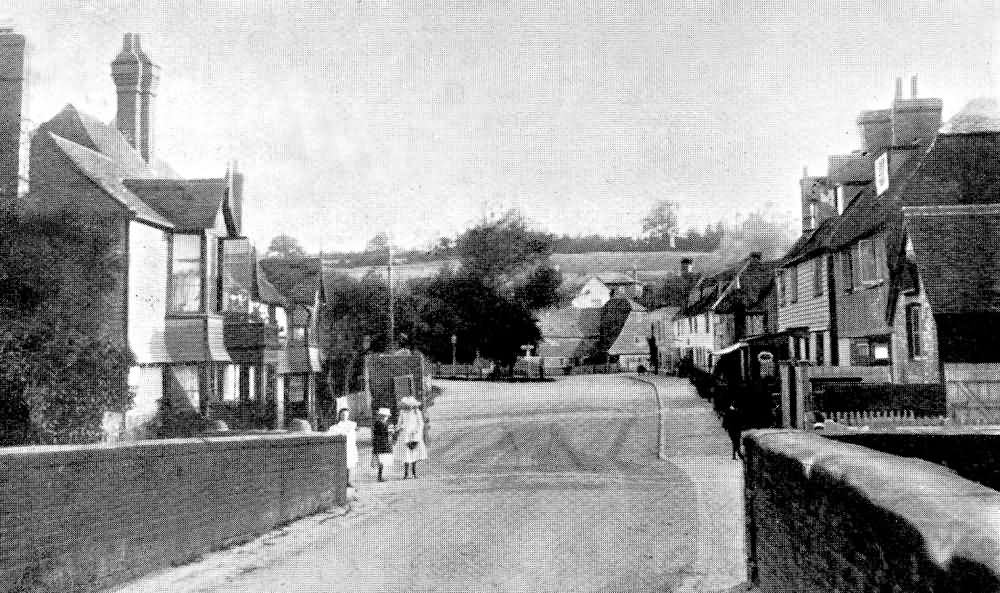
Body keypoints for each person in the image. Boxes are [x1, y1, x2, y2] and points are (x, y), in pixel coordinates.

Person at [394, 396, 428, 479]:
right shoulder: (402, 412)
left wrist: (417, 431)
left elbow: (421, 424)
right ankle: (406, 473)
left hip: (414, 434)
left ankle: (414, 473)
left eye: (409, 405)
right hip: (405, 434)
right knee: (406, 454)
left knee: (414, 453)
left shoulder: (417, 412)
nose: (408, 406)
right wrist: (398, 428)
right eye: (406, 405)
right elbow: (399, 423)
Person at [327, 408, 358, 488]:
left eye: (346, 414)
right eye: (343, 414)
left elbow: (352, 435)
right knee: (342, 465)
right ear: (340, 415)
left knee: (350, 465)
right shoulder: (336, 427)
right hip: (341, 448)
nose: (344, 416)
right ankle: (341, 481)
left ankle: (348, 481)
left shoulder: (352, 424)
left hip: (350, 447)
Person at [371, 407, 395, 482]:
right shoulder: (379, 423)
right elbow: (384, 432)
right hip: (381, 443)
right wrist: (390, 431)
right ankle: (379, 477)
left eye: (386, 416)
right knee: (381, 460)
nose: (385, 417)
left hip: (383, 443)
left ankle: (380, 476)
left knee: (383, 460)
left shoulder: (383, 423)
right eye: (384, 416)